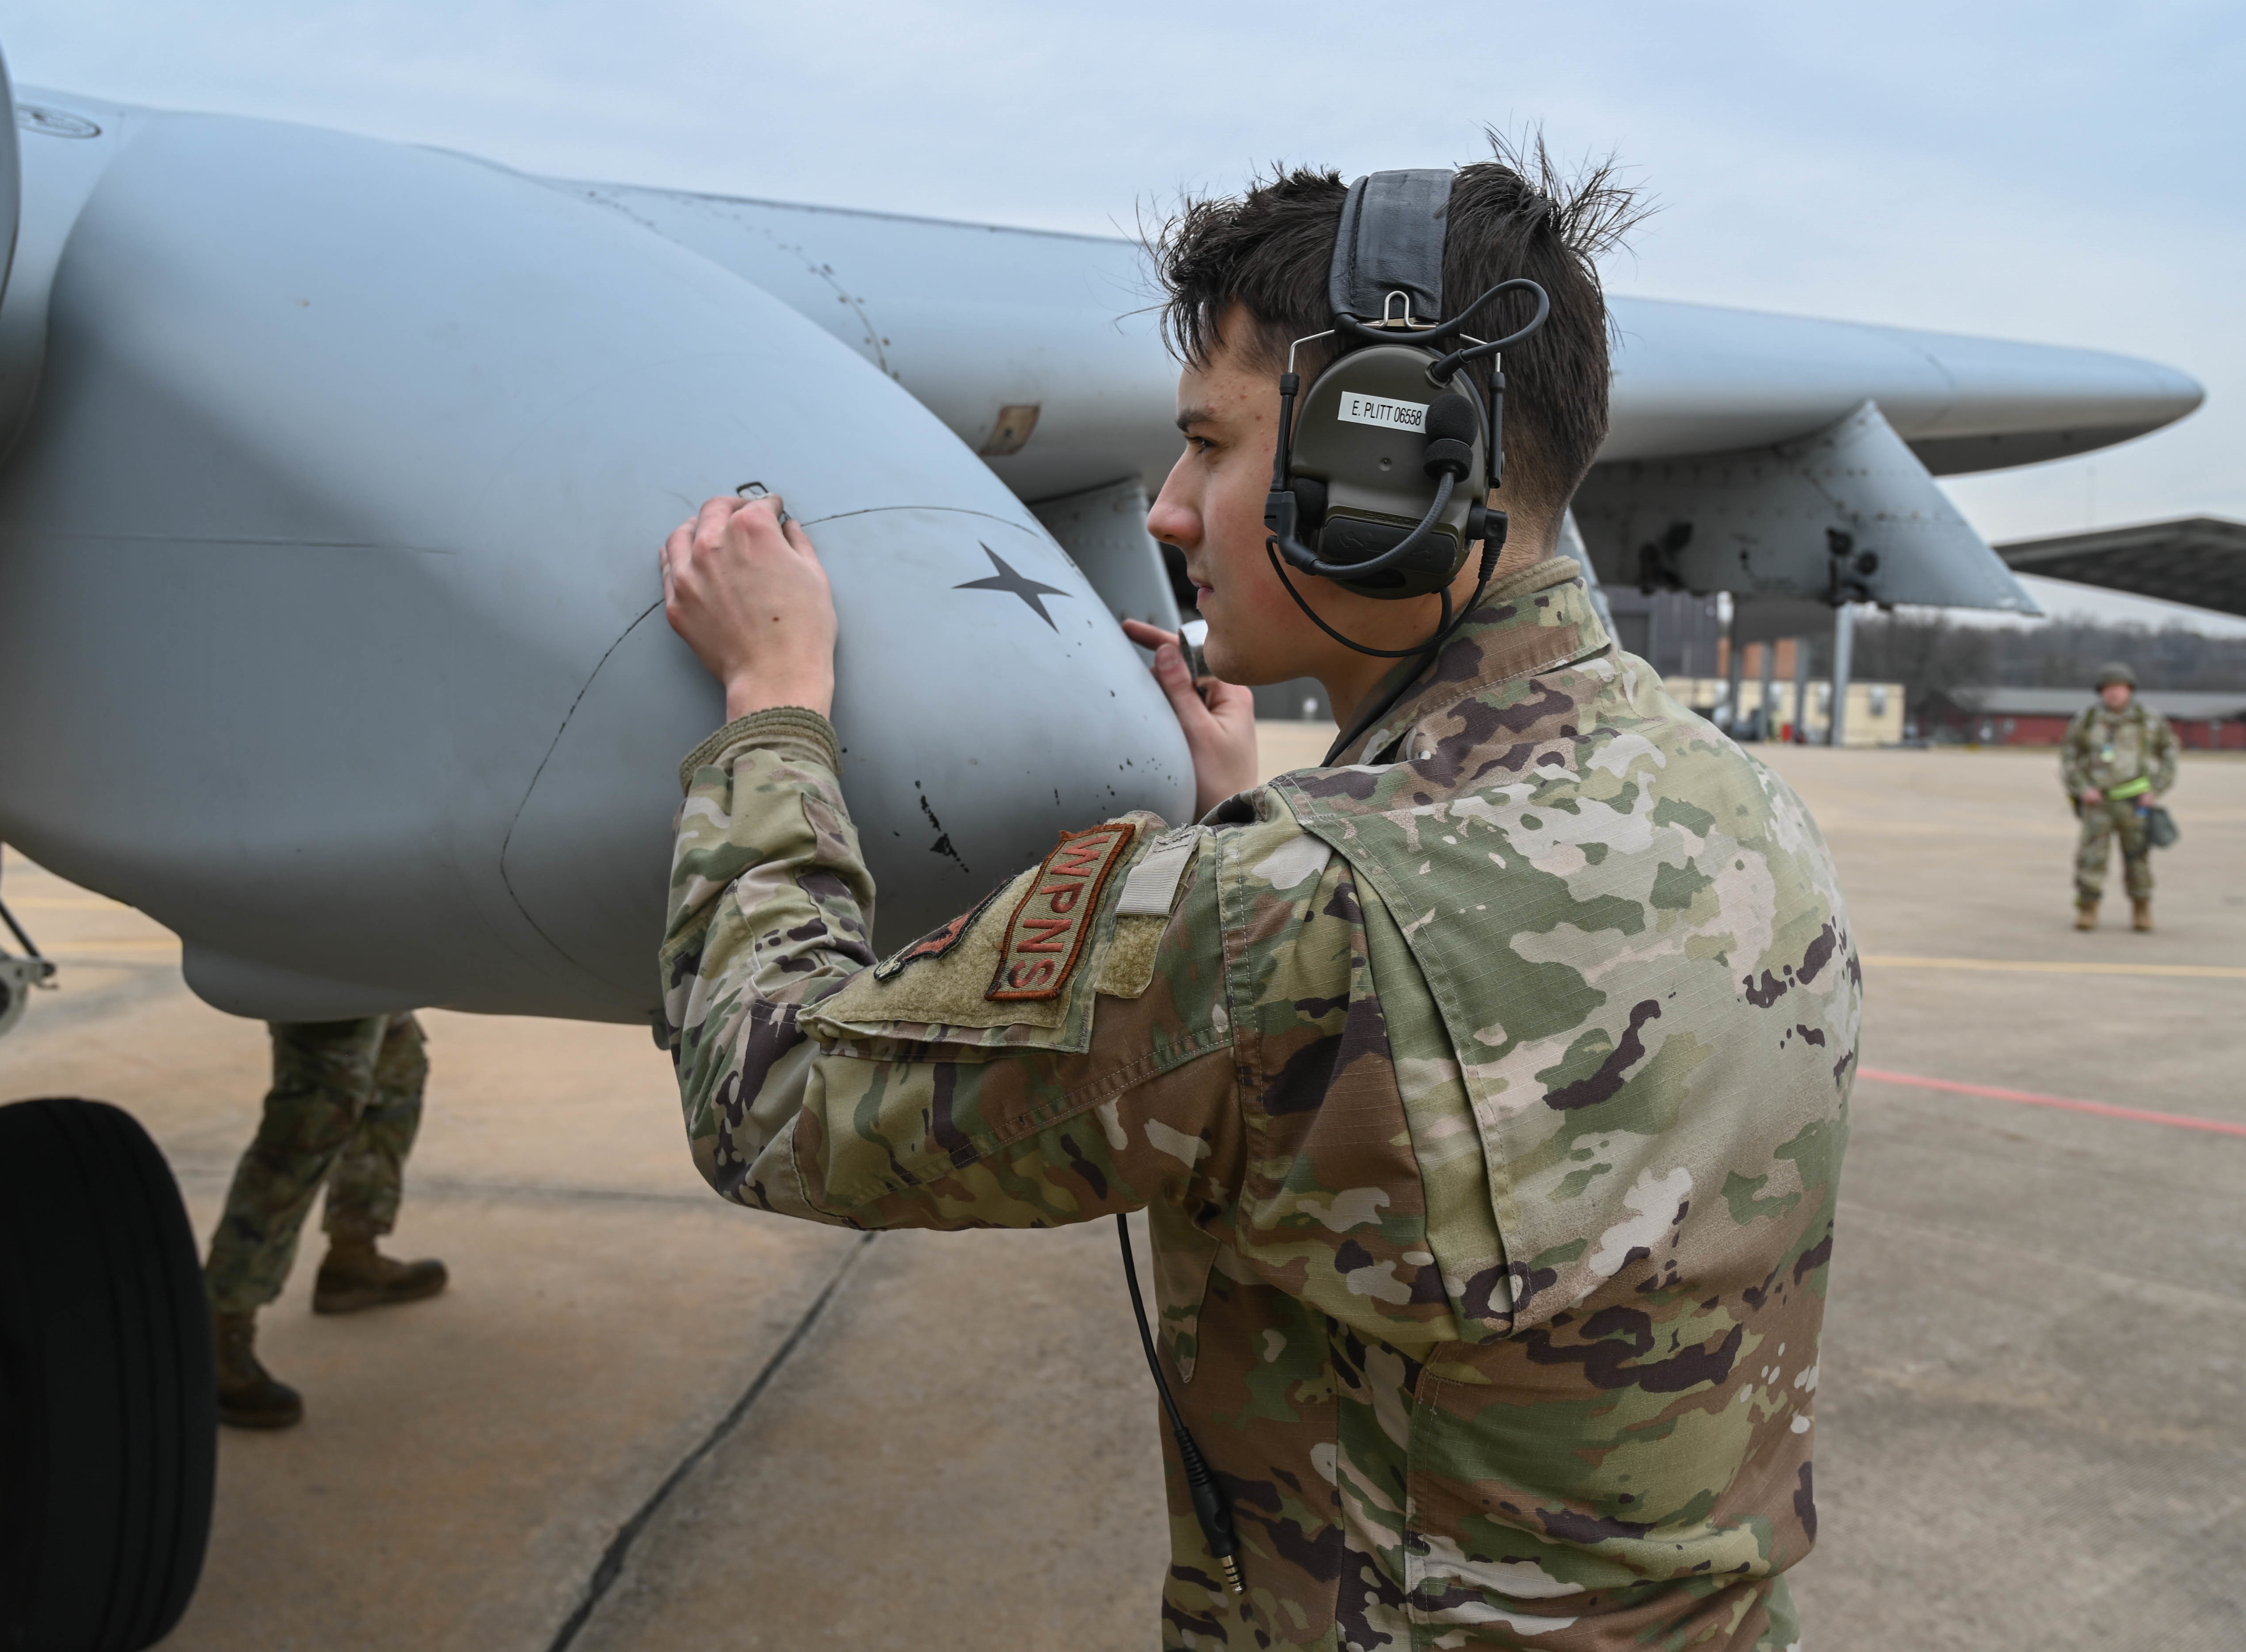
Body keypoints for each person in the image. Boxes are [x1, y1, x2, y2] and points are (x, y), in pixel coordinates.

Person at [655, 149, 1858, 1651]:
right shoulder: (1739, 802)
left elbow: (768, 1101)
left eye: (1209, 445)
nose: (1168, 512)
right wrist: (1251, 810)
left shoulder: (1284, 914)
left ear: (1384, 466)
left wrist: (772, 706)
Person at [205, 1013, 448, 1429]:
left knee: (395, 1073)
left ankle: (353, 1260)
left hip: (377, 980)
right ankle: (220, 1326)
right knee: (315, 1113)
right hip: (326, 980)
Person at [2060, 663, 2178, 932]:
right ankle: (2088, 908)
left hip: (2135, 803)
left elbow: (2170, 754)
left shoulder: (2149, 721)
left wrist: (2156, 789)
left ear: (2130, 690)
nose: (2114, 694)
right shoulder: (2087, 720)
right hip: (2098, 803)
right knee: (2091, 858)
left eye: (2120, 688)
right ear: (2101, 692)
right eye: (2109, 689)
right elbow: (2070, 756)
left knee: (2138, 859)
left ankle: (2142, 907)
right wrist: (2082, 788)